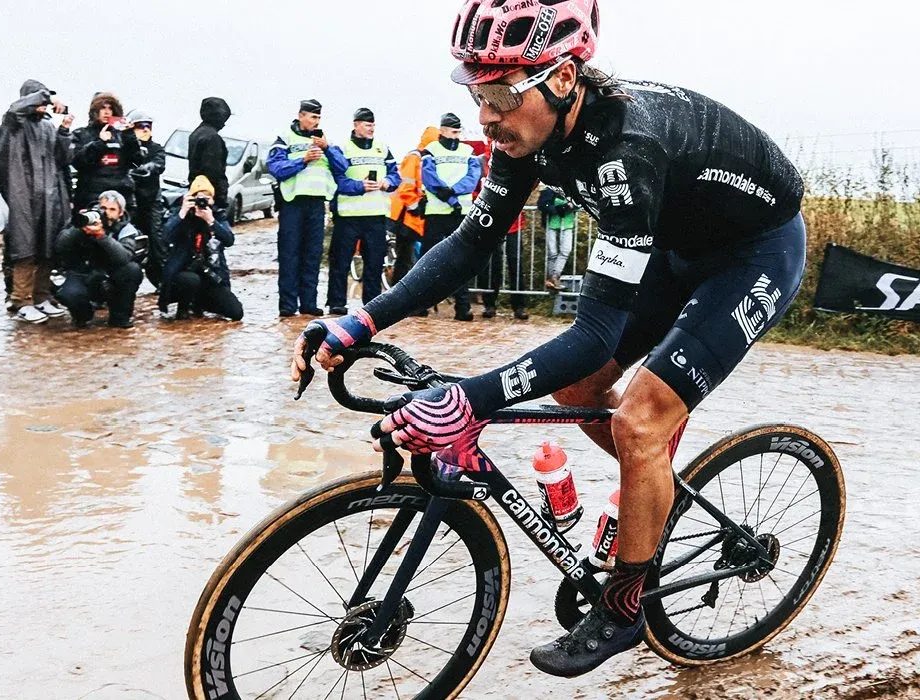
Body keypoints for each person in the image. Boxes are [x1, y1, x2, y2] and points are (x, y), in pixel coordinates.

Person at [294, 0, 806, 678]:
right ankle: (657, 492)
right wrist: (361, 321)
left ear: (563, 79)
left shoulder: (627, 149)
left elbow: (593, 334)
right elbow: (470, 243)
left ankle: (623, 608)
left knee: (640, 421)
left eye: (502, 95)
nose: (486, 116)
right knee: (578, 390)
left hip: (753, 253)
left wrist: (468, 400)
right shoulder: (526, 136)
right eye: (477, 93)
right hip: (676, 246)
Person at [0, 79, 74, 324]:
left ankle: (41, 296)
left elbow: (63, 160)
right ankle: (21, 300)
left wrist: (64, 131)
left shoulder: (47, 127)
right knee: (24, 249)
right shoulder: (12, 124)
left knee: (47, 248)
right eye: (39, 98)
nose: (45, 104)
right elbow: (15, 110)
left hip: (50, 197)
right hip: (21, 196)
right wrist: (47, 97)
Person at [267, 99, 340, 318]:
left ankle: (309, 304)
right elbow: (276, 167)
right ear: (301, 116)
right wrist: (303, 160)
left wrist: (327, 149)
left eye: (319, 117)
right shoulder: (285, 138)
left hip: (317, 204)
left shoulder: (324, 141)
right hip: (293, 204)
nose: (316, 121)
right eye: (313, 117)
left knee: (312, 255)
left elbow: (342, 167)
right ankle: (287, 305)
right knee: (289, 254)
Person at [326, 107, 400, 315]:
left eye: (373, 125)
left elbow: (396, 175)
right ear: (356, 125)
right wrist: (359, 186)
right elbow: (337, 179)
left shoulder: (382, 148)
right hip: (348, 217)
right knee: (340, 262)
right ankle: (337, 303)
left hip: (376, 216)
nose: (371, 129)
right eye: (367, 125)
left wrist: (388, 182)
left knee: (374, 263)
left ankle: (372, 305)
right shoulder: (342, 148)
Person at [420, 112, 482, 321]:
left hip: (461, 214)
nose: (457, 136)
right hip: (436, 213)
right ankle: (420, 304)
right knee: (428, 261)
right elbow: (429, 178)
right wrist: (451, 199)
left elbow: (472, 179)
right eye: (453, 132)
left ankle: (462, 307)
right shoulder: (430, 150)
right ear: (443, 130)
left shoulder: (468, 151)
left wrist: (452, 193)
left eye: (458, 132)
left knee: (461, 262)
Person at [54, 191, 147, 329]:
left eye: (112, 209)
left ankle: (119, 317)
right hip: (83, 270)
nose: (106, 213)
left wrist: (101, 236)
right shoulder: (84, 219)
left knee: (132, 270)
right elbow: (60, 245)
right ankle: (83, 315)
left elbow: (124, 257)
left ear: (120, 213)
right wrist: (80, 229)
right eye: (103, 208)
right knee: (68, 294)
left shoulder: (126, 229)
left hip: (112, 273)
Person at [159, 176, 243, 322]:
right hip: (183, 275)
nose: (202, 202)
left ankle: (200, 303)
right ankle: (183, 308)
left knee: (236, 312)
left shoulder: (217, 215)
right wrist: (182, 213)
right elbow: (164, 237)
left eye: (207, 198)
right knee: (191, 280)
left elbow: (229, 240)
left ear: (213, 200)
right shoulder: (181, 214)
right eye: (198, 198)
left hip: (210, 275)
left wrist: (211, 221)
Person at [387, 126, 439, 309]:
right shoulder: (415, 157)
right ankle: (397, 299)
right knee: (405, 258)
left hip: (414, 217)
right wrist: (415, 206)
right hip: (406, 217)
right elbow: (406, 186)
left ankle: (402, 298)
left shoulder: (424, 157)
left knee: (409, 258)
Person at [71, 93, 142, 213]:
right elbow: (78, 162)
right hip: (92, 196)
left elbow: (136, 162)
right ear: (95, 111)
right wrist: (100, 143)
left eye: (110, 108)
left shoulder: (122, 135)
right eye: (103, 108)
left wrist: (129, 136)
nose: (107, 112)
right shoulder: (81, 134)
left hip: (120, 196)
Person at [127, 109, 167, 286]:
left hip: (151, 203)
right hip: (131, 203)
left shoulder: (156, 148)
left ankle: (161, 282)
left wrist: (148, 167)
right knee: (129, 242)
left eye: (148, 125)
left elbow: (159, 163)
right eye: (140, 126)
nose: (145, 129)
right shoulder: (126, 147)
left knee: (157, 242)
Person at [478, 212, 529, 320]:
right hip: (492, 225)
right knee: (492, 265)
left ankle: (519, 306)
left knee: (516, 264)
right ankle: (489, 305)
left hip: (514, 226)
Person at [188, 97, 232, 208]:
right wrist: (221, 197)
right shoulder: (212, 138)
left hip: (197, 189)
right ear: (219, 117)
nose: (224, 124)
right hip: (209, 196)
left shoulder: (197, 133)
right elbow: (214, 171)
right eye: (224, 119)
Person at [537, 185, 580, 291]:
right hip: (552, 223)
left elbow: (580, 203)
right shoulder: (549, 187)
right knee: (552, 253)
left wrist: (570, 206)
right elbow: (542, 204)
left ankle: (554, 277)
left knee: (565, 250)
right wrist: (562, 208)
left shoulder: (574, 187)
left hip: (567, 224)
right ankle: (553, 279)